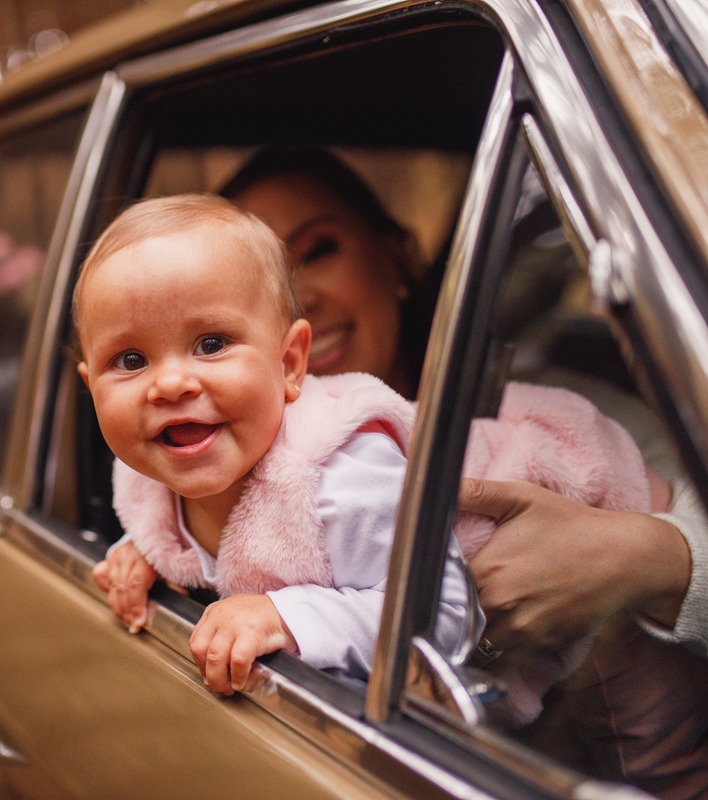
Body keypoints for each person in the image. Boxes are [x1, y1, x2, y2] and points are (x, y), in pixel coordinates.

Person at [218, 145, 706, 663]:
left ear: (397, 256)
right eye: (253, 286)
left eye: (317, 252)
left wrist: (645, 560)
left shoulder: (551, 416)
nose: (298, 302)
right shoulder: (226, 471)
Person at [75, 194, 475, 694]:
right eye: (131, 360)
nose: (171, 383)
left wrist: (286, 618)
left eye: (212, 344)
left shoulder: (337, 471)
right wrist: (144, 554)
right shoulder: (147, 469)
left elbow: (446, 613)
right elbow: (187, 539)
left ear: (289, 364)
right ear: (92, 389)